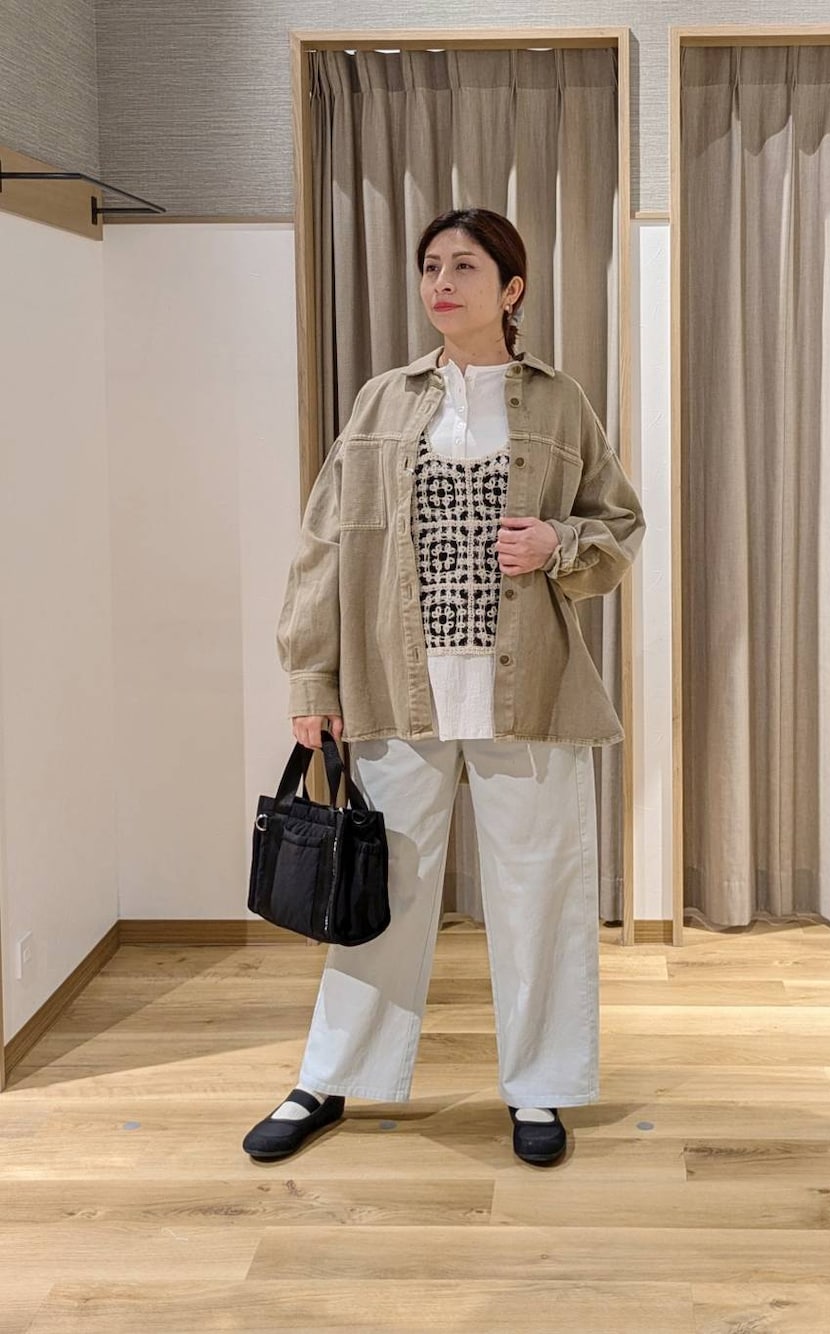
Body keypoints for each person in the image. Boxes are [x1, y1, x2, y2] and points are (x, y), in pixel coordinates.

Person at [242, 207, 645, 1167]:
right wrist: (311, 674)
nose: (441, 284)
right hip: (397, 691)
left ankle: (539, 1089)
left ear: (511, 290)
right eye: (430, 267)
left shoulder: (560, 403)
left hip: (531, 697)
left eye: (464, 267)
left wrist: (560, 543)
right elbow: (323, 546)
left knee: (540, 897)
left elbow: (619, 526)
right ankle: (329, 1078)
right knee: (377, 895)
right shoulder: (381, 402)